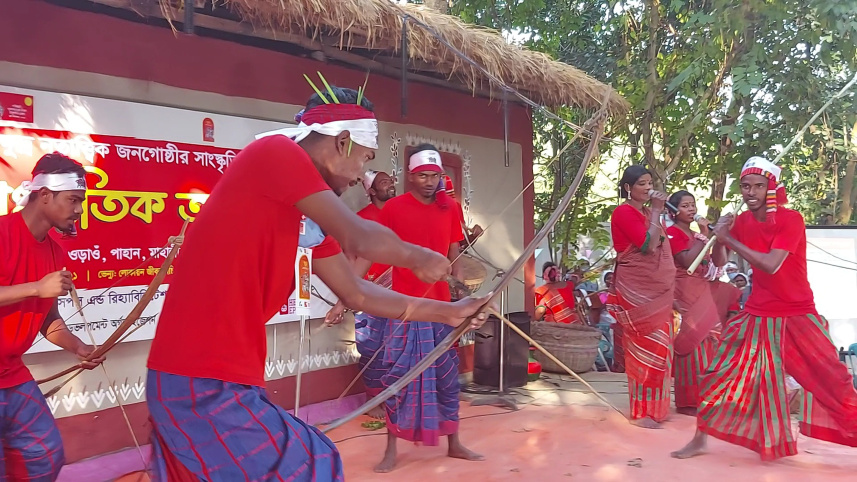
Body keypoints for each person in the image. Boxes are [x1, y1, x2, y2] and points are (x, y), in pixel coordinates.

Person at [145, 86, 492, 481]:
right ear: (342, 142)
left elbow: (356, 292)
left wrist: (450, 312)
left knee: (313, 460)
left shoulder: (305, 215)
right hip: (198, 378)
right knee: (313, 464)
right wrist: (420, 257)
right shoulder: (275, 153)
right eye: (364, 159)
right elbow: (358, 237)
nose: (363, 173)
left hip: (221, 379)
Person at [671, 156, 857, 461]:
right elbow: (719, 261)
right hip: (758, 313)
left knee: (832, 380)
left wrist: (728, 237)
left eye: (758, 186)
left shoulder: (790, 219)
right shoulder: (741, 222)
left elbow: (771, 264)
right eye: (746, 186)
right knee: (718, 373)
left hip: (797, 312)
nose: (751, 192)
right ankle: (700, 439)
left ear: (771, 188)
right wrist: (719, 237)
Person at [327, 143, 484, 473]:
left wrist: (459, 291)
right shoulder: (394, 208)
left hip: (443, 309)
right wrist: (344, 297)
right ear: (410, 178)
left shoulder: (450, 208)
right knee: (399, 378)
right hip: (406, 308)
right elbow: (370, 252)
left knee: (446, 378)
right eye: (423, 175)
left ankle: (454, 443)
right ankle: (391, 450)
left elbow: (454, 252)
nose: (430, 181)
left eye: (435, 175)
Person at [1, 153, 104, 480]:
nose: (79, 210)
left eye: (81, 201)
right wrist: (35, 288)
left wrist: (79, 347)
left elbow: (50, 322)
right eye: (73, 199)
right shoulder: (2, 234)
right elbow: (38, 293)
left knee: (45, 454)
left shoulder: (55, 253)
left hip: (12, 375)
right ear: (45, 195)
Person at [606, 165, 675, 429]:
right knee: (642, 348)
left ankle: (657, 409)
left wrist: (656, 212)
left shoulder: (647, 213)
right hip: (637, 290)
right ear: (627, 188)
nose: (648, 188)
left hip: (656, 292)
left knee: (661, 347)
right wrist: (657, 210)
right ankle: (642, 411)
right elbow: (646, 246)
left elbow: (658, 242)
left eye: (650, 183)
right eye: (642, 184)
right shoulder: (624, 212)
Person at [664, 190, 741, 416]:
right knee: (692, 339)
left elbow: (719, 261)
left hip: (704, 288)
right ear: (672, 211)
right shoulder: (671, 233)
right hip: (685, 288)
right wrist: (704, 235)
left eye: (693, 205)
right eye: (686, 206)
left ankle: (711, 397)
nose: (692, 210)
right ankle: (689, 402)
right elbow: (687, 261)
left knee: (711, 340)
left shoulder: (699, 234)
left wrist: (713, 237)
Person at [358, 169, 397, 288]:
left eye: (391, 181)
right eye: (384, 183)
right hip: (372, 285)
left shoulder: (399, 214)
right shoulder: (362, 218)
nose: (391, 185)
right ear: (372, 191)